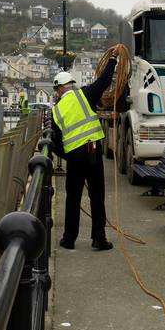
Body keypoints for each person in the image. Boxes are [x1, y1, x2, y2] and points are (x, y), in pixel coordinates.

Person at [51, 49, 119, 251]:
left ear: (59, 90)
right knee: (96, 196)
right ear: (71, 85)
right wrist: (113, 59)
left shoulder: (56, 110)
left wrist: (69, 154)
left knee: (73, 198)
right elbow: (105, 80)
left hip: (74, 157)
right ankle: (99, 238)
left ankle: (69, 239)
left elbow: (55, 143)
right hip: (93, 151)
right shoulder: (85, 95)